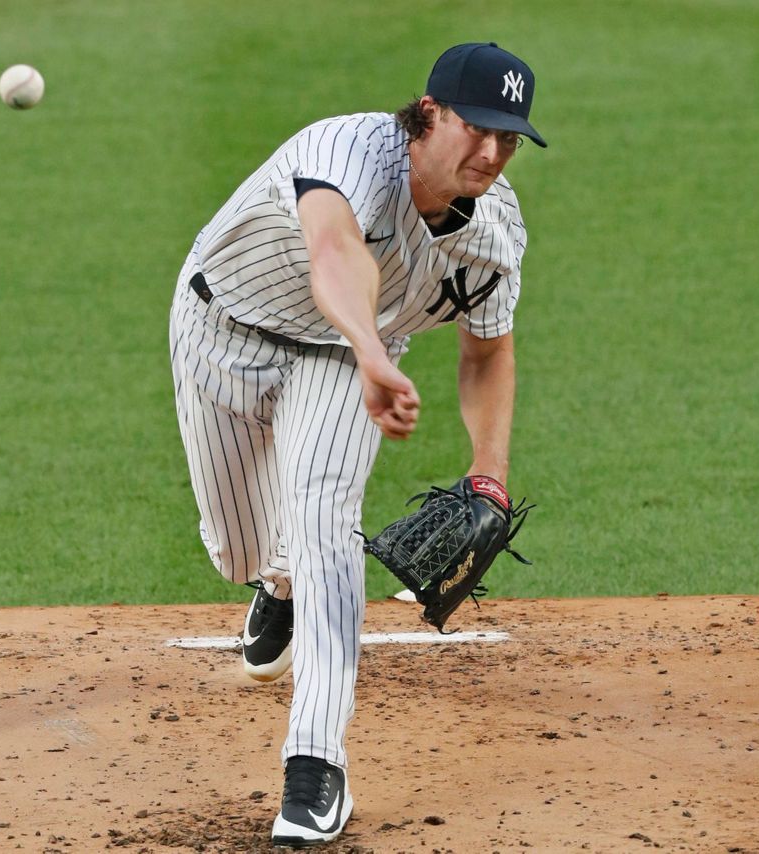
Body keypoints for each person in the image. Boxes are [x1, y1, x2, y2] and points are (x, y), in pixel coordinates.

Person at [168, 42, 545, 848]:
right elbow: (336, 253)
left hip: (343, 365)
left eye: (509, 139)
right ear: (428, 114)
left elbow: (487, 353)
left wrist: (490, 475)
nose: (491, 153)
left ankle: (315, 767)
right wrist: (374, 346)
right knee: (239, 550)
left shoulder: (495, 236)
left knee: (326, 525)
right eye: (477, 129)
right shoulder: (346, 152)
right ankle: (275, 582)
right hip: (223, 328)